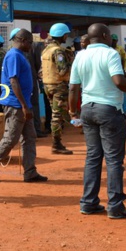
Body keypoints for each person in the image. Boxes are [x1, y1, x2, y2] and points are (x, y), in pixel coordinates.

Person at [68, 23, 126, 219]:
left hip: (87, 110)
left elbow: (73, 88)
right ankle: (115, 206)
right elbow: (118, 80)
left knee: (92, 157)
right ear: (104, 35)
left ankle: (88, 202)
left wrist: (72, 112)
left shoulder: (80, 56)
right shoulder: (110, 53)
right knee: (114, 159)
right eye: (110, 35)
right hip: (109, 110)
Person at [0, 28, 47, 183]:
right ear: (22, 40)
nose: (31, 46)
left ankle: (30, 171)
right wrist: (23, 105)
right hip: (15, 104)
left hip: (24, 104)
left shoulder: (19, 55)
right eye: (30, 42)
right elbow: (13, 81)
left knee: (29, 137)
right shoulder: (13, 56)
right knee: (11, 138)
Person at [41, 23, 74, 154]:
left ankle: (57, 142)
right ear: (62, 35)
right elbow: (62, 70)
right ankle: (56, 144)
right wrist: (70, 61)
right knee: (57, 116)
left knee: (54, 114)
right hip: (58, 86)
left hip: (48, 85)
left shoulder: (46, 50)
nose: (67, 36)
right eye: (66, 34)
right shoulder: (58, 51)